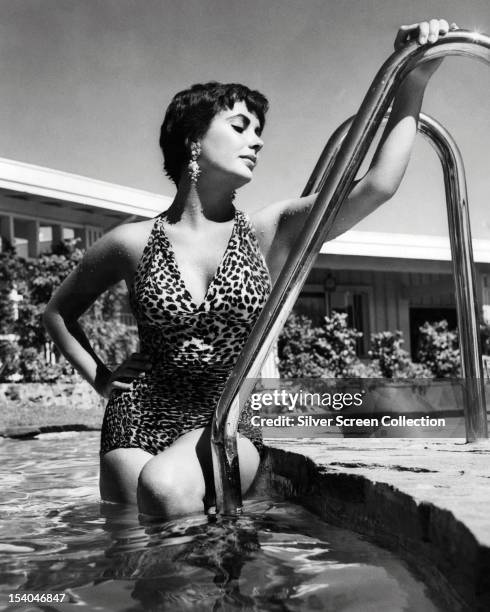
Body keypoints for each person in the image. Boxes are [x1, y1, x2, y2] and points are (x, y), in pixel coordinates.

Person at [44, 19, 455, 518]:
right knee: (139, 560)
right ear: (193, 141)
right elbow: (59, 314)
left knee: (165, 490)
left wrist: (412, 82)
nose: (256, 140)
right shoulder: (130, 242)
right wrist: (104, 380)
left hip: (224, 418)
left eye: (259, 131)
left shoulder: (269, 230)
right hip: (136, 420)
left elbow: (377, 186)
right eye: (240, 127)